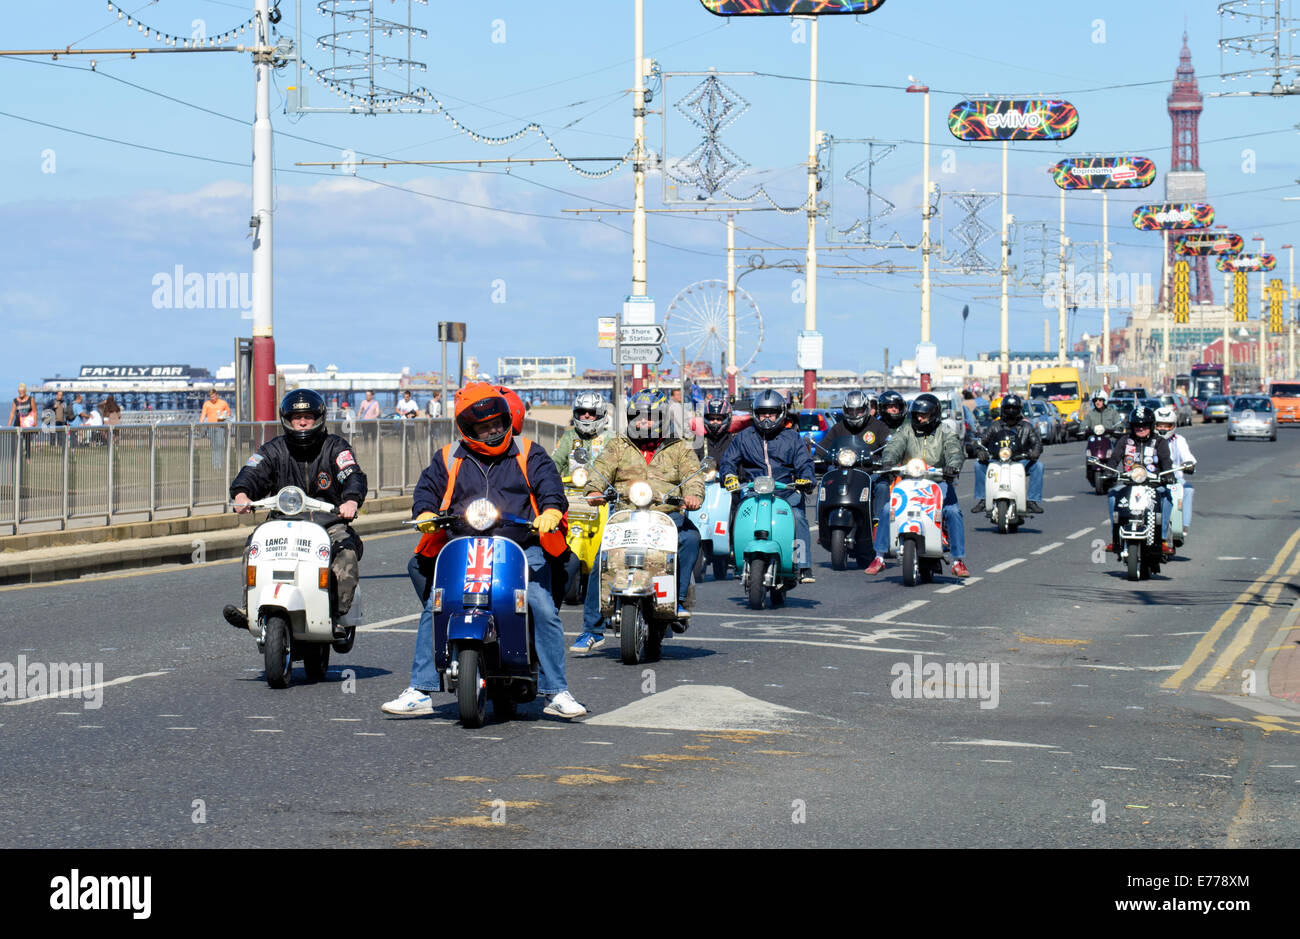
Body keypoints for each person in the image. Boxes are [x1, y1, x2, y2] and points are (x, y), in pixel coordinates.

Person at [383, 383, 585, 719]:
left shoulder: (528, 451)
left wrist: (550, 509)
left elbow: (549, 484)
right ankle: (420, 688)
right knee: (437, 601)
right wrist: (424, 513)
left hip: (520, 547)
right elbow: (427, 489)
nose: (492, 430)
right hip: (464, 547)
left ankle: (556, 690)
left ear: (506, 420)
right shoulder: (448, 457)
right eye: (483, 426)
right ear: (468, 429)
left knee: (541, 605)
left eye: (496, 422)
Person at [569, 389, 704, 654]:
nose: (643, 423)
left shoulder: (679, 448)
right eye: (638, 417)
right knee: (602, 561)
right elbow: (599, 472)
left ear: (663, 419)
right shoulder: (618, 445)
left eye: (650, 418)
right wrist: (593, 491)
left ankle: (676, 601)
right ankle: (591, 630)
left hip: (667, 517)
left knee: (690, 538)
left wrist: (693, 495)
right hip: (625, 516)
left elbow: (693, 477)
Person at [222, 389, 367, 633]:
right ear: (287, 420)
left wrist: (351, 501)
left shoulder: (335, 447)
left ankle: (339, 615)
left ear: (318, 418)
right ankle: (250, 606)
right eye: (296, 417)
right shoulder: (273, 450)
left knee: (346, 555)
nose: (302, 422)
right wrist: (241, 494)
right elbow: (251, 473)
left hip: (328, 524)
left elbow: (353, 475)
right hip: (282, 522)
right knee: (252, 550)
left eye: (308, 416)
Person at [719, 388, 817, 585]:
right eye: (763, 413)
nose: (767, 418)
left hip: (785, 491)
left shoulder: (792, 437)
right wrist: (729, 476)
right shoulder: (744, 437)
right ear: (756, 414)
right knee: (738, 514)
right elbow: (728, 461)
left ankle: (803, 565)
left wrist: (805, 479)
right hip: (753, 492)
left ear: (780, 414)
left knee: (798, 517)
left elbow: (805, 463)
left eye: (771, 414)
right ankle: (733, 554)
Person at [871, 393, 970, 578]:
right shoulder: (906, 430)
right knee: (887, 509)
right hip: (909, 480)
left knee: (953, 512)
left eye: (924, 415)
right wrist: (888, 461)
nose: (919, 418)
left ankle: (957, 560)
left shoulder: (945, 431)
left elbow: (955, 451)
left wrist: (952, 466)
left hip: (938, 481)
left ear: (934, 415)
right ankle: (879, 556)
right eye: (916, 414)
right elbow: (894, 446)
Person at [820, 389, 885, 567]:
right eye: (850, 411)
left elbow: (889, 447)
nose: (854, 414)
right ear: (845, 410)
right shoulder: (839, 427)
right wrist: (818, 456)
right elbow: (823, 447)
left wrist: (882, 460)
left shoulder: (878, 427)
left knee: (881, 487)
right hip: (845, 472)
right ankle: (823, 521)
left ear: (866, 409)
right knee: (826, 482)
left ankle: (878, 523)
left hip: (869, 473)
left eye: (858, 410)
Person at [1105, 405, 1174, 556]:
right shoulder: (1124, 441)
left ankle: (1162, 539)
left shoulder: (1160, 442)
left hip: (1154, 484)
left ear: (1151, 426)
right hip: (1129, 483)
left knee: (1167, 497)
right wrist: (1109, 470)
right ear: (1132, 426)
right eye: (1137, 425)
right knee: (1112, 496)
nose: (1141, 428)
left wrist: (1168, 475)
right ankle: (1115, 537)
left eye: (1144, 425)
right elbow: (1114, 458)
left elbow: (1166, 461)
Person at [970, 392, 1044, 515]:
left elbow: (1037, 443)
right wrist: (980, 451)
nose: (1011, 411)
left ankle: (1032, 501)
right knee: (978, 465)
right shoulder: (995, 426)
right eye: (1008, 408)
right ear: (1003, 410)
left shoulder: (1027, 427)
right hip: (997, 461)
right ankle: (983, 499)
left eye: (1014, 408)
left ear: (1019, 410)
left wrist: (1034, 452)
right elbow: (980, 442)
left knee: (1038, 466)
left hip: (1020, 460)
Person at [862, 390, 909, 574]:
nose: (893, 410)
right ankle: (879, 552)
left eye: (896, 406)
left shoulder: (909, 426)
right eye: (889, 407)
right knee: (885, 507)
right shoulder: (877, 426)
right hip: (884, 472)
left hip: (910, 472)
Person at [1156, 405, 1196, 537]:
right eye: (1159, 425)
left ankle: (1182, 527)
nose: (1163, 429)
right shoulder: (1150, 440)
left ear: (1173, 426)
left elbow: (1187, 456)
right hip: (1154, 479)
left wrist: (1189, 464)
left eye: (1167, 426)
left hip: (1175, 479)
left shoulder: (1179, 440)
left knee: (1188, 490)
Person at [552, 392, 611, 477]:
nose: (586, 415)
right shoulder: (569, 437)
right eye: (582, 412)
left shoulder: (611, 438)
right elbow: (554, 463)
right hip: (572, 488)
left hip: (604, 489)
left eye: (592, 412)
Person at [201, 388, 232, 470]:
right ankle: (215, 465)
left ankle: (219, 464)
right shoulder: (206, 404)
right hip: (211, 427)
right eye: (211, 397)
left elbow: (228, 413)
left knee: (220, 446)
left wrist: (224, 417)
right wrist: (200, 424)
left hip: (220, 427)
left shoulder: (223, 403)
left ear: (217, 395)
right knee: (214, 446)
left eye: (214, 397)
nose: (213, 399)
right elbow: (203, 415)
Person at [701, 396, 736, 464]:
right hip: (705, 474)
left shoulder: (735, 442)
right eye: (711, 419)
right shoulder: (699, 441)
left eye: (719, 419)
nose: (715, 422)